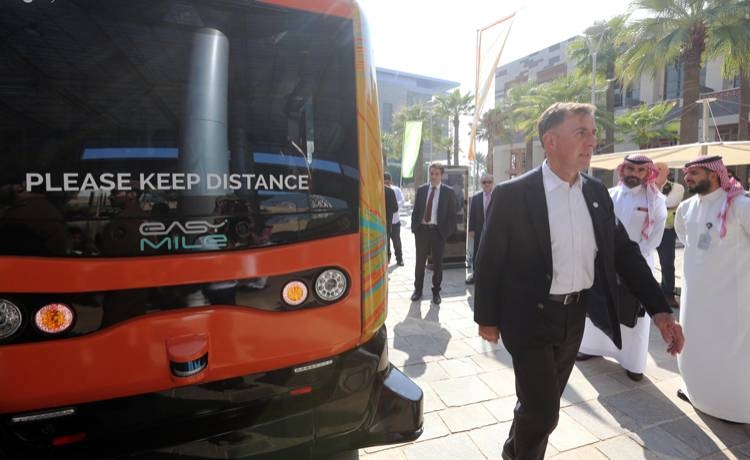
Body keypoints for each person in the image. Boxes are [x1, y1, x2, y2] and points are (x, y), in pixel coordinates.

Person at [474, 102, 684, 460]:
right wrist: (487, 318)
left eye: (593, 134)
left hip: (574, 319)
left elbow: (624, 253)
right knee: (543, 411)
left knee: (540, 404)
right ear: (551, 141)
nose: (592, 142)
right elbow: (489, 260)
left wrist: (660, 311)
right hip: (527, 318)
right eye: (581, 132)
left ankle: (515, 452)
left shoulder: (596, 195)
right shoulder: (514, 195)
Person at [577, 155, 667, 382]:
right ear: (622, 170)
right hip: (604, 263)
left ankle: (633, 362)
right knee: (600, 306)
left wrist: (629, 263)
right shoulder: (609, 194)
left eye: (640, 170)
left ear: (648, 174)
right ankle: (591, 348)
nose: (634, 174)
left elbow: (653, 239)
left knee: (633, 317)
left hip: (636, 266)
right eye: (630, 169)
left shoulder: (655, 201)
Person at [674, 155, 750, 424]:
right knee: (695, 344)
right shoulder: (685, 208)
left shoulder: (741, 205)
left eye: (694, 172)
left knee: (730, 349)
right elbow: (686, 238)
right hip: (695, 296)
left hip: (732, 297)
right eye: (687, 172)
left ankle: (735, 404)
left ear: (716, 174)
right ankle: (696, 392)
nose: (688, 177)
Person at [410, 162, 457, 305]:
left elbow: (452, 215)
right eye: (431, 173)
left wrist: (445, 233)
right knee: (419, 263)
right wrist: (415, 228)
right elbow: (416, 210)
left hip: (438, 233)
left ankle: (436, 292)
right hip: (422, 232)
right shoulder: (422, 190)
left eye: (437, 174)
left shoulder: (448, 192)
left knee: (438, 264)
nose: (433, 176)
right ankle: (417, 290)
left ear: (441, 175)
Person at [655, 163, 685, 308]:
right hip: (647, 230)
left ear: (668, 172)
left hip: (666, 230)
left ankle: (668, 293)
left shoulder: (677, 187)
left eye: (660, 169)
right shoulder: (645, 186)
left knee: (667, 262)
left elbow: (670, 202)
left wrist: (652, 190)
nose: (656, 172)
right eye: (654, 169)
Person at [466, 172, 494, 284]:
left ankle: (491, 276)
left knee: (492, 254)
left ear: (493, 183)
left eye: (489, 182)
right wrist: (471, 229)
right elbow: (472, 215)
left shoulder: (498, 196)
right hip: (479, 231)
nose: (487, 184)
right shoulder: (476, 198)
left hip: (494, 232)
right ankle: (475, 274)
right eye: (484, 182)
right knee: (477, 253)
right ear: (481, 184)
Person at [384, 172, 404, 266]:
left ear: (390, 181)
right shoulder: (380, 190)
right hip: (384, 222)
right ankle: (387, 260)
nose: (386, 184)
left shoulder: (396, 190)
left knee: (397, 242)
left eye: (387, 182)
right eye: (384, 182)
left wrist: (393, 207)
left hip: (395, 221)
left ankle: (399, 259)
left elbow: (402, 201)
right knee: (386, 243)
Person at [384, 182, 398, 264]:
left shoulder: (368, 189)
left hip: (370, 225)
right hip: (386, 223)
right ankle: (386, 264)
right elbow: (395, 208)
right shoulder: (390, 191)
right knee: (386, 244)